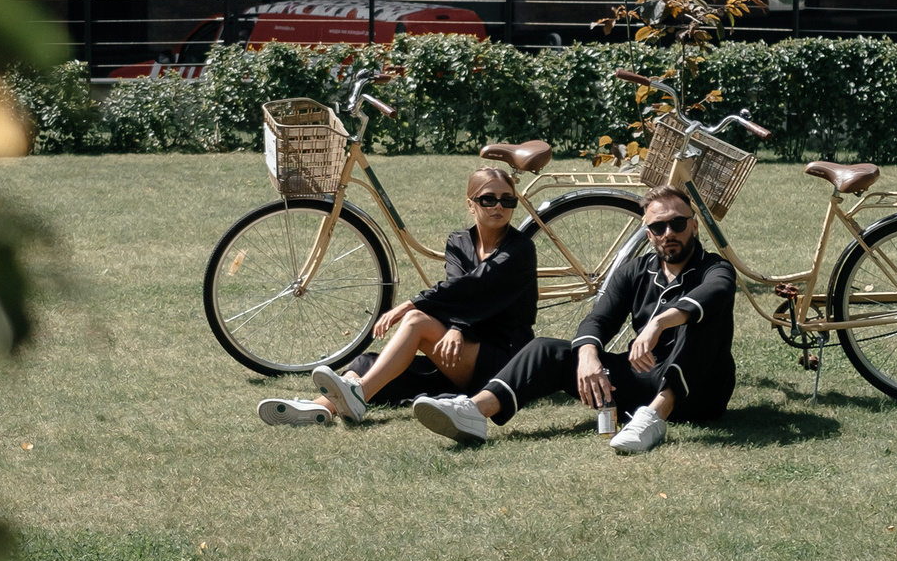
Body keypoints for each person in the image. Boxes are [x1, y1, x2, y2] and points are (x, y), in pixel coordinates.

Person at [409, 185, 734, 454]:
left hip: (700, 391)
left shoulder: (715, 269)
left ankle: (653, 418)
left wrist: (659, 322)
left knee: (701, 320)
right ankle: (475, 411)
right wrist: (588, 356)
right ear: (648, 234)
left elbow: (713, 294)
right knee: (548, 349)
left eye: (677, 224)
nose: (668, 233)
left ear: (694, 225)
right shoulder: (636, 270)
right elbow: (598, 319)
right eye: (657, 227)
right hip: (642, 377)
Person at [256, 165, 539, 426]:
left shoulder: (521, 249)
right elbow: (457, 287)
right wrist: (456, 326)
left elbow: (478, 286)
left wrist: (413, 306)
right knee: (369, 364)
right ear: (471, 203)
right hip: (461, 350)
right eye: (489, 199)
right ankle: (317, 409)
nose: (499, 206)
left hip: (503, 359)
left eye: (508, 200)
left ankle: (359, 396)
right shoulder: (459, 241)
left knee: (416, 320)